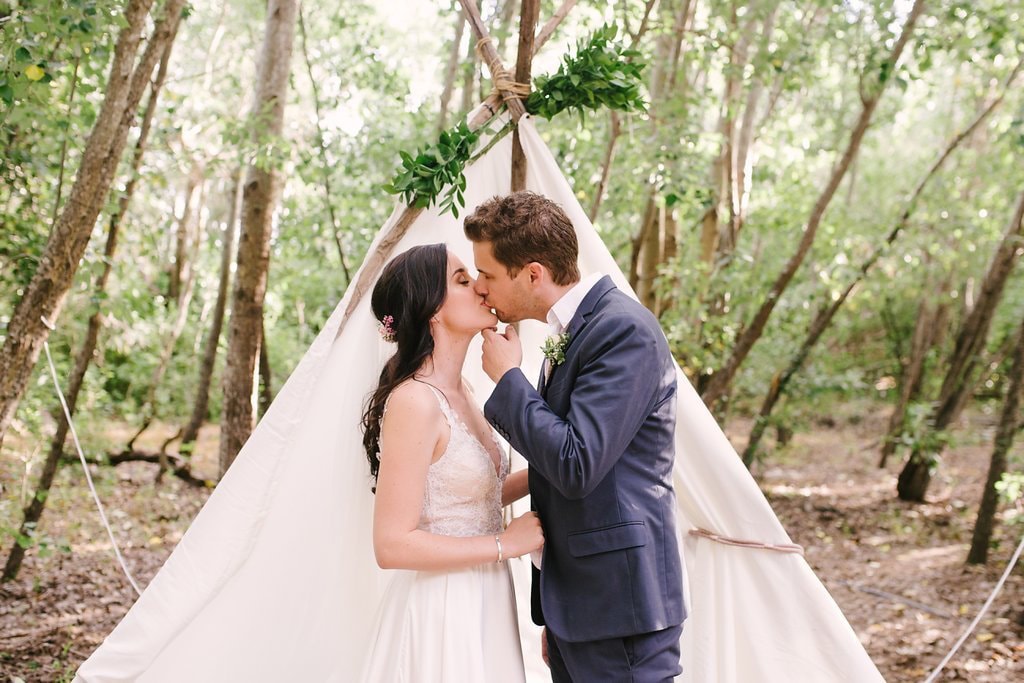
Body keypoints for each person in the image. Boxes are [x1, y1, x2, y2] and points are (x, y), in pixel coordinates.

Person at [464, 192, 687, 682]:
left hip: (620, 614)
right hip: (582, 611)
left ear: (533, 274)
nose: (480, 288)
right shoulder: (574, 331)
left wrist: (508, 381)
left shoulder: (623, 331)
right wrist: (561, 613)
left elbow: (576, 463)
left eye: (488, 274)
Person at [358, 242, 544, 682]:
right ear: (432, 310)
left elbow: (468, 496)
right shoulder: (414, 401)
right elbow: (392, 544)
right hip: (442, 605)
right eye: (463, 280)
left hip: (486, 595)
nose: (481, 288)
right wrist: (506, 543)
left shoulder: (465, 391)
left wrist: (552, 469)